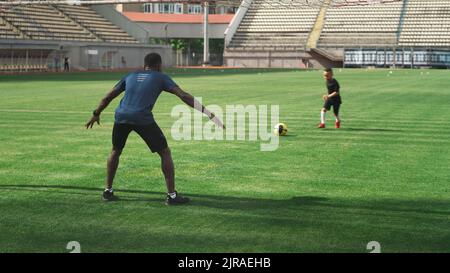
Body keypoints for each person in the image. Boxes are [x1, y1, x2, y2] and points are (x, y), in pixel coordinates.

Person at [85, 53, 224, 205]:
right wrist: (208, 113)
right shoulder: (161, 77)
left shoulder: (130, 75)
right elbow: (183, 96)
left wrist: (96, 113)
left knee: (115, 150)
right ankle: (171, 196)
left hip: (121, 116)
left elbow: (108, 97)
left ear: (145, 64)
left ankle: (107, 191)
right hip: (142, 117)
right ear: (159, 65)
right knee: (165, 152)